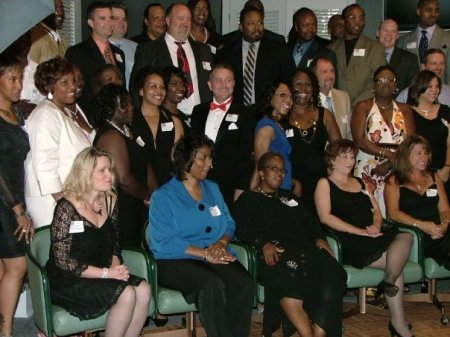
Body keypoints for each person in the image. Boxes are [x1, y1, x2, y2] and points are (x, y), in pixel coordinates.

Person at [149, 134, 254, 337]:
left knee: (243, 283)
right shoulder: (163, 196)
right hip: (176, 259)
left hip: (215, 252)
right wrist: (205, 254)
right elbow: (163, 242)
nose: (209, 164)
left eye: (210, 158)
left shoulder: (212, 188)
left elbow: (229, 223)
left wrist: (221, 244)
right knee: (210, 284)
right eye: (203, 158)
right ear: (186, 159)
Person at [234, 151, 347, 337]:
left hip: (305, 250)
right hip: (276, 252)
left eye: (283, 171)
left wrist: (320, 237)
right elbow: (242, 229)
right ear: (261, 173)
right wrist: (263, 243)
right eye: (274, 169)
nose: (280, 174)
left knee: (333, 272)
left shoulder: (289, 197)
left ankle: (321, 330)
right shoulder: (248, 200)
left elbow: (311, 221)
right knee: (290, 277)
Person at [46, 147, 151, 337]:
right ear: (85, 174)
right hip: (69, 279)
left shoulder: (110, 201)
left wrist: (116, 265)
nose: (109, 175)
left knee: (143, 289)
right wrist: (106, 273)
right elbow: (62, 261)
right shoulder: (67, 207)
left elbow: (115, 243)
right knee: (126, 293)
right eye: (102, 170)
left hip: (102, 270)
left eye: (109, 169)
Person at [315, 139, 414, 337]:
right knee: (396, 263)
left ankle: (389, 281)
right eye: (344, 157)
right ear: (332, 160)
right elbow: (326, 218)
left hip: (372, 233)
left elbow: (377, 211)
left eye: (352, 157)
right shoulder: (324, 184)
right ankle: (399, 324)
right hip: (349, 240)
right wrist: (360, 231)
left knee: (405, 236)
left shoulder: (360, 182)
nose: (350, 161)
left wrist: (376, 225)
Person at [25, 56, 93, 228]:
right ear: (49, 87)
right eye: (64, 83)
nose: (73, 87)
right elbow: (44, 162)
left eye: (73, 81)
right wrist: (63, 203)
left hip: (69, 196)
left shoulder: (63, 112)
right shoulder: (45, 114)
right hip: (50, 200)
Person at [93, 84, 157, 248]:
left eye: (130, 103)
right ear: (110, 109)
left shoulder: (126, 129)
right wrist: (148, 195)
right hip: (123, 208)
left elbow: (144, 161)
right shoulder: (110, 136)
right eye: (125, 105)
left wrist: (156, 193)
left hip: (137, 205)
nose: (131, 108)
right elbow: (123, 179)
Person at [0, 49, 34, 337]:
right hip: (4, 202)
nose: (18, 84)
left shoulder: (18, 112)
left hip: (16, 197)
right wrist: (17, 210)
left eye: (20, 78)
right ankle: (7, 331)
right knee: (17, 266)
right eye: (12, 78)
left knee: (5, 269)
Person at [352, 65, 415, 216]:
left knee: (396, 211)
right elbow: (358, 139)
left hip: (398, 166)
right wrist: (387, 154)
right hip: (368, 167)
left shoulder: (405, 110)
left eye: (390, 80)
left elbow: (411, 143)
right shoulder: (363, 106)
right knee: (369, 213)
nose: (385, 83)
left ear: (396, 85)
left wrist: (392, 163)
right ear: (374, 85)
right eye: (381, 80)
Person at [131, 2, 214, 116]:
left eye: (188, 19)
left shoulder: (204, 50)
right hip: (164, 118)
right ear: (168, 21)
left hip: (201, 118)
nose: (185, 23)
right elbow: (136, 88)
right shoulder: (148, 50)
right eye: (180, 18)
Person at [191, 64, 254, 207]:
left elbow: (245, 154)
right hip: (200, 180)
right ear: (210, 84)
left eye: (228, 80)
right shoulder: (198, 111)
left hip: (229, 183)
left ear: (234, 84)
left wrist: (241, 187)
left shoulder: (245, 113)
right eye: (219, 80)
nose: (224, 85)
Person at [385, 135, 450, 271]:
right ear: (406, 155)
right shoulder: (395, 180)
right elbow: (393, 213)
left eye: (426, 153)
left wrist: (444, 225)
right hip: (415, 231)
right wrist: (421, 224)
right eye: (419, 153)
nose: (424, 157)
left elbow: (445, 210)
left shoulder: (434, 177)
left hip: (438, 229)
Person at [216, 5, 294, 107]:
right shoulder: (228, 52)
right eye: (251, 23)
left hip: (268, 109)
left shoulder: (278, 49)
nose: (257, 27)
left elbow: (289, 77)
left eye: (260, 22)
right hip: (237, 110)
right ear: (241, 27)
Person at [289, 68, 341, 214]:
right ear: (290, 87)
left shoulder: (325, 115)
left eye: (308, 84)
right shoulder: (282, 115)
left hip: (320, 182)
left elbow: (338, 150)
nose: (303, 88)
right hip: (290, 182)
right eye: (298, 84)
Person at [66, 2, 125, 121]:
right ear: (90, 23)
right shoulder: (77, 52)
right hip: (90, 117)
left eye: (111, 18)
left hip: (116, 117)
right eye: (102, 18)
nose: (109, 23)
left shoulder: (119, 53)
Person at [131, 67, 183, 186]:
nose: (159, 92)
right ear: (141, 91)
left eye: (162, 87)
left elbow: (178, 160)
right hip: (139, 187)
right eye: (153, 86)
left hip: (168, 187)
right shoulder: (130, 121)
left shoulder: (174, 121)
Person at [328, 4, 386, 105]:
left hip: (365, 105)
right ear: (343, 21)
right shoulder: (332, 49)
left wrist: (357, 104)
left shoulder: (375, 48)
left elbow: (378, 80)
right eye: (352, 17)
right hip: (337, 106)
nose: (358, 21)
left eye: (361, 17)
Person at [251, 81, 300, 196]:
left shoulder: (277, 125)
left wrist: (295, 183)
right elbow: (259, 166)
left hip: (282, 186)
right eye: (283, 95)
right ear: (270, 97)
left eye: (291, 97)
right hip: (271, 192)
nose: (289, 100)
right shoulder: (267, 126)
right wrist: (252, 198)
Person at [407, 70, 450, 197]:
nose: (435, 90)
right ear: (419, 86)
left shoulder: (445, 110)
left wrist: (447, 167)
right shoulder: (407, 112)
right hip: (417, 172)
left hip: (444, 170)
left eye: (437, 86)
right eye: (430, 86)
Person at [396, 0, 450, 85]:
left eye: (436, 11)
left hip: (439, 93)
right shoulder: (403, 41)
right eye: (428, 10)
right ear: (418, 11)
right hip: (411, 94)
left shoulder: (448, 39)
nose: (433, 14)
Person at [311, 57, 352, 139]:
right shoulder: (310, 100)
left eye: (332, 71)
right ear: (314, 76)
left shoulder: (344, 97)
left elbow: (349, 132)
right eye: (325, 72)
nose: (330, 75)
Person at [377, 19, 420, 94]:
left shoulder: (410, 59)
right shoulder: (367, 57)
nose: (388, 35)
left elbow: (413, 90)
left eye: (393, 31)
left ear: (397, 36)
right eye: (385, 30)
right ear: (377, 33)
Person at [109, 2, 137, 89]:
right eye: (116, 18)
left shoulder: (137, 48)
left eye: (124, 19)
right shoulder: (101, 48)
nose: (121, 23)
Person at [65, 65, 96, 143]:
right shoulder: (59, 112)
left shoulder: (85, 107)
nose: (79, 83)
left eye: (81, 78)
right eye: (74, 80)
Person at [161, 65, 191, 132]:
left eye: (182, 84)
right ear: (163, 87)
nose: (180, 88)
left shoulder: (183, 116)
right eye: (174, 84)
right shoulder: (158, 115)